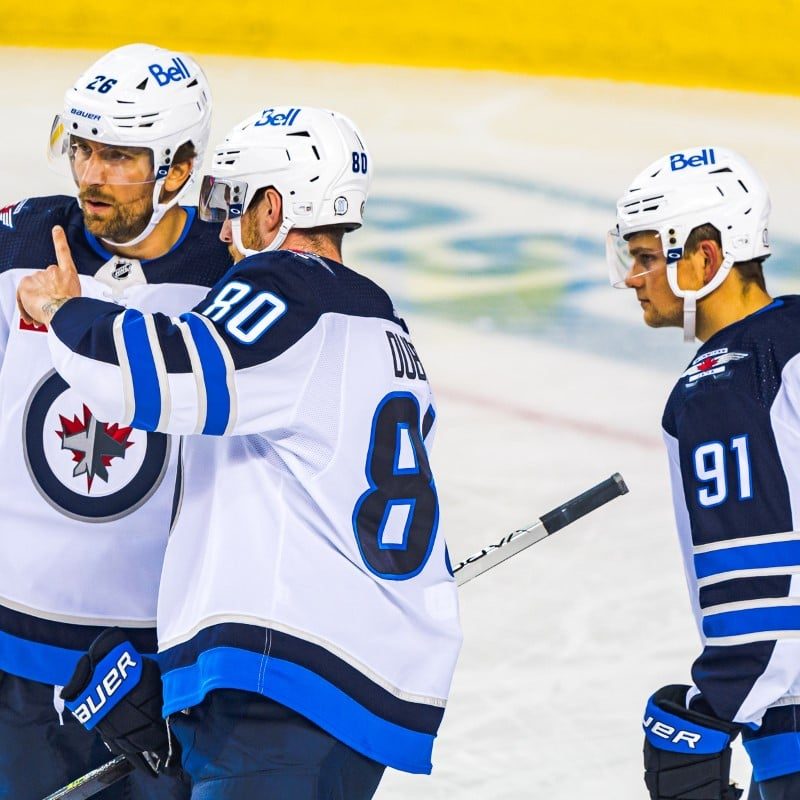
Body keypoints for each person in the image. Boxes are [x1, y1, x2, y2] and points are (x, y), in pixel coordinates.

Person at [17, 105, 463, 799]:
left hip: (282, 689)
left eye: (231, 204)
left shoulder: (287, 285)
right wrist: (182, 665)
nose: (221, 230)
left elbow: (158, 377)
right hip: (321, 684)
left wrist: (64, 311)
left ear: (273, 207)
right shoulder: (383, 328)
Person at [0, 43, 232, 798]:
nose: (92, 174)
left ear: (179, 167)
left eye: (121, 156)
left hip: (152, 661)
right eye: (83, 148)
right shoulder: (19, 242)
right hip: (9, 646)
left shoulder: (230, 278)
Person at [607, 146, 800, 800]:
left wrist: (710, 714)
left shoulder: (724, 380)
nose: (633, 278)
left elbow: (761, 585)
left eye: (645, 257)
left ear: (707, 258)